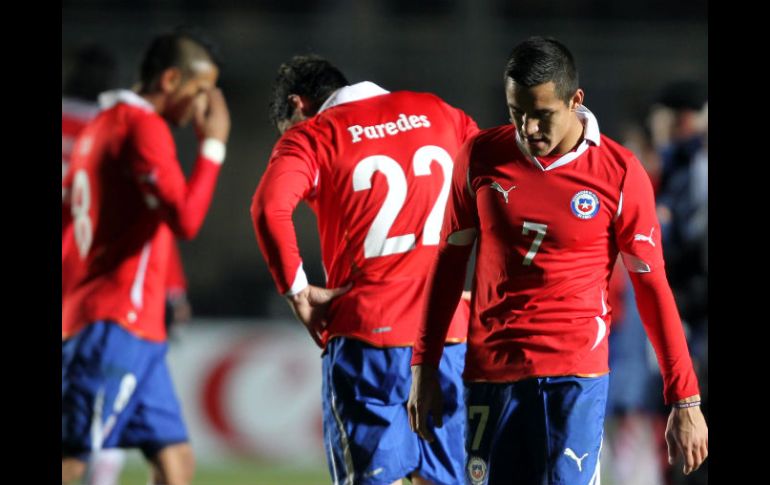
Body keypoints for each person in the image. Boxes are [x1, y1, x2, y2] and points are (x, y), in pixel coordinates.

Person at [407, 36, 708, 485]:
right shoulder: (479, 156)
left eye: (542, 114)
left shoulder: (619, 172)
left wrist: (685, 399)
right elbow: (450, 265)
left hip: (575, 378)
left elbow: (652, 287)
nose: (528, 128)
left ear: (575, 101)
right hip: (491, 373)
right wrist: (424, 364)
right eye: (516, 113)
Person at [251, 54, 478, 485]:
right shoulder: (440, 113)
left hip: (368, 332)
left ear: (298, 106)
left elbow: (269, 207)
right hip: (448, 336)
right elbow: (499, 185)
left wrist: (299, 292)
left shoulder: (316, 135)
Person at [61, 30, 230, 485]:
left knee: (175, 458)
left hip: (135, 323)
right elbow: (186, 220)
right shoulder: (141, 127)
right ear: (171, 79)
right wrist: (214, 145)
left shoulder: (102, 121)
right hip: (114, 319)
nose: (201, 106)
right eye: (198, 92)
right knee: (73, 455)